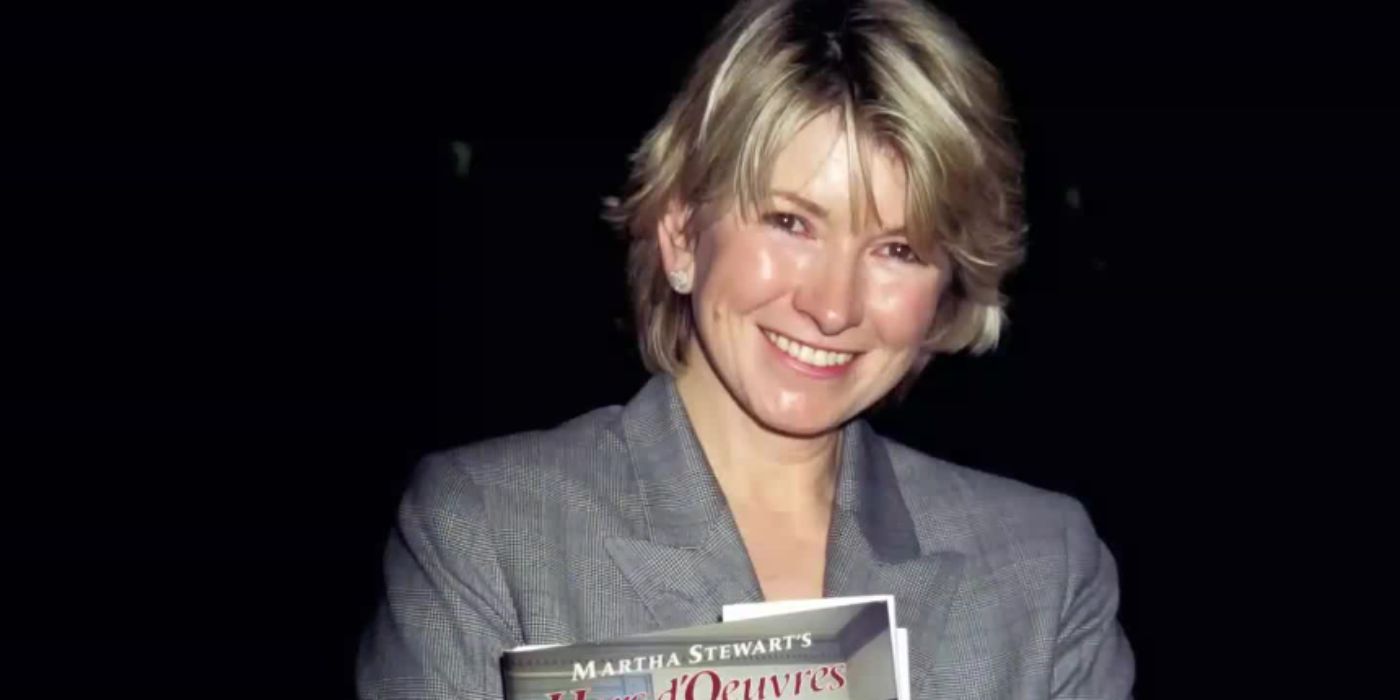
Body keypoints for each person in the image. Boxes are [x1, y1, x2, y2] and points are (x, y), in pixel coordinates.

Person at [357, 0, 1134, 697]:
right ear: (681, 234)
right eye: (790, 223)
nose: (832, 306)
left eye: (898, 249)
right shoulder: (491, 532)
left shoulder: (1041, 570)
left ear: (945, 292)